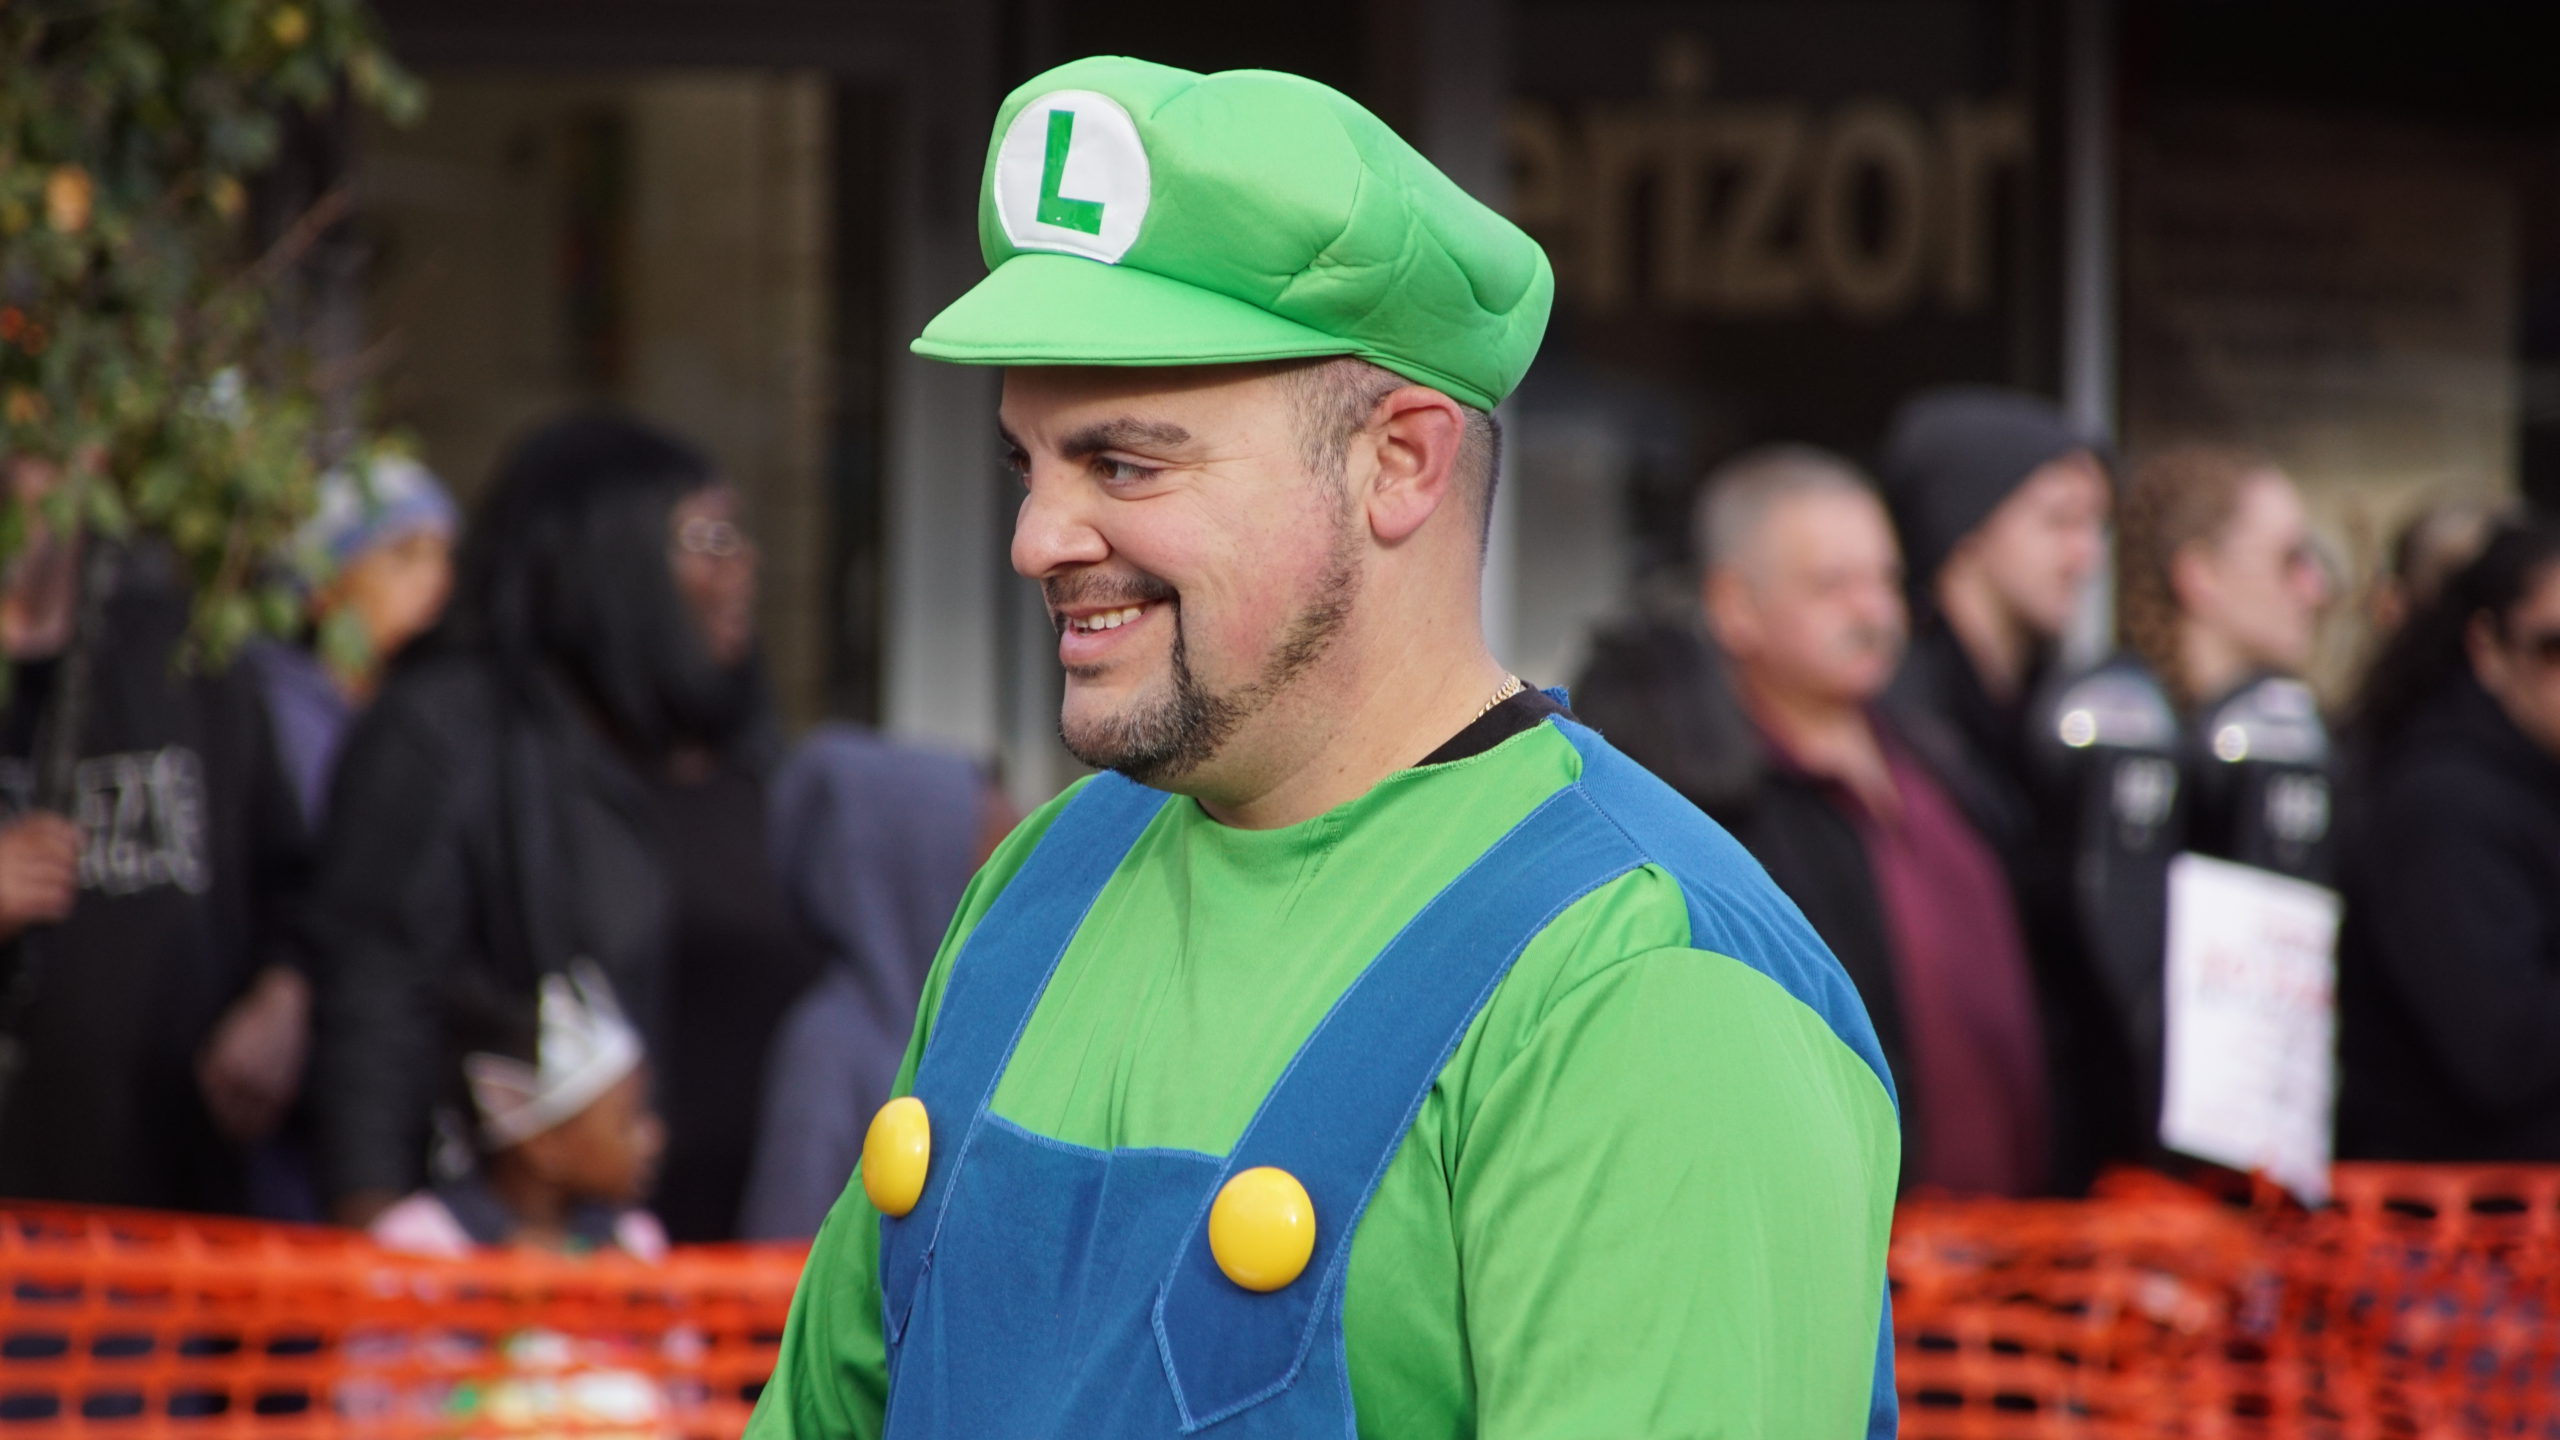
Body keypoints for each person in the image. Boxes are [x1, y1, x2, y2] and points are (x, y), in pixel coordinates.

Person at [751, 57, 1899, 1440]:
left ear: (1398, 462)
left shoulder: (1646, 980)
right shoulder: (1044, 877)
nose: (1037, 539)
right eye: (1027, 465)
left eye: (1124, 464)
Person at [304, 413, 825, 1244]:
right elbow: (374, 1006)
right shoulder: (448, 734)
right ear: (606, 554)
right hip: (542, 1274)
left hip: (750, 1267)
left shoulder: (734, 752)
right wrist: (384, 1260)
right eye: (709, 539)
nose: (743, 565)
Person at [1692, 446, 2048, 1196]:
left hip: (2023, 1240)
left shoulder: (1942, 764)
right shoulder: (1710, 811)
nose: (1875, 612)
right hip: (1858, 1241)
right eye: (1833, 585)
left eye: (1885, 580)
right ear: (1735, 607)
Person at [0, 454, 311, 1210]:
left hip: (174, 1211)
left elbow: (294, 881)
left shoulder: (183, 650)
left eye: (37, 448)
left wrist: (283, 1002)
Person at [2337, 520, 2560, 1161]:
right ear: (2488, 648)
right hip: (2455, 1204)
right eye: (2555, 648)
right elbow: (2503, 1050)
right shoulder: (2438, 804)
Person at [735, 724, 996, 1241]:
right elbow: (785, 1255)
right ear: (917, 875)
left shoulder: (984, 1026)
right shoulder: (830, 1048)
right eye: (992, 859)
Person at [1876, 386, 2111, 861]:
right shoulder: (1900, 722)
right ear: (1966, 527)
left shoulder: (2050, 712)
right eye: (2059, 521)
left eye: (2096, 526)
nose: (2088, 556)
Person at [370, 963, 668, 1258]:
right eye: (628, 1120)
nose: (655, 1137)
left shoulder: (636, 1240)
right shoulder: (415, 1244)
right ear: (545, 1144)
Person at [243, 453, 459, 826]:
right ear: (322, 587)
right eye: (405, 556)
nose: (437, 583)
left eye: (444, 557)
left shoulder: (427, 704)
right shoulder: (275, 719)